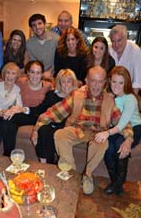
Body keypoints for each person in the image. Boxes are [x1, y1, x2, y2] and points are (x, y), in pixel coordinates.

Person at [31, 66, 133, 195]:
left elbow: (123, 123)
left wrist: (129, 139)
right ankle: (70, 172)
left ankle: (87, 175)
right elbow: (55, 112)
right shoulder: (77, 95)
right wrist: (37, 128)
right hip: (77, 129)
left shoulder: (109, 100)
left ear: (105, 82)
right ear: (87, 80)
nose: (96, 85)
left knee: (103, 144)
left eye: (100, 81)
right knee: (60, 134)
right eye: (93, 81)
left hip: (97, 133)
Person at [0, 60, 52, 156]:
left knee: (11, 116)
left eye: (38, 73)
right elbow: (8, 79)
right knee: (9, 119)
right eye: (32, 72)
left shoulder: (48, 86)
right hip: (24, 114)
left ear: (42, 74)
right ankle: (8, 155)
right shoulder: (22, 81)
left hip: (39, 116)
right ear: (28, 73)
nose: (34, 76)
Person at [95, 66, 141, 196]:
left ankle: (118, 183)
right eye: (114, 81)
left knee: (120, 145)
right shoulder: (110, 96)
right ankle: (117, 183)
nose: (117, 85)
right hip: (117, 128)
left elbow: (122, 125)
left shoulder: (130, 98)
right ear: (109, 81)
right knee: (108, 148)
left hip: (134, 127)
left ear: (126, 83)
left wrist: (107, 133)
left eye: (121, 83)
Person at [33, 69, 78, 164]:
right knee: (43, 130)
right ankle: (44, 163)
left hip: (67, 127)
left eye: (69, 82)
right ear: (59, 83)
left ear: (73, 83)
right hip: (50, 124)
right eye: (63, 82)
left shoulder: (78, 97)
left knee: (55, 133)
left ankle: (51, 163)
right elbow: (43, 112)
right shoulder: (51, 95)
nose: (66, 85)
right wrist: (35, 130)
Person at [109, 25, 141, 95]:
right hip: (112, 93)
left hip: (129, 93)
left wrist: (130, 100)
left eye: (119, 40)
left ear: (126, 38)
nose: (116, 45)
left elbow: (137, 82)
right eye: (113, 41)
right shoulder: (109, 49)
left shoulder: (135, 50)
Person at [26, 13, 59, 80]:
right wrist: (41, 75)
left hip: (55, 76)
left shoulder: (56, 39)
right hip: (38, 77)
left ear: (45, 24)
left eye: (40, 23)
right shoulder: (29, 43)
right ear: (31, 28)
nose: (37, 27)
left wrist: (50, 71)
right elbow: (33, 63)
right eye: (34, 25)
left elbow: (59, 60)